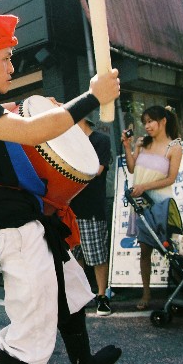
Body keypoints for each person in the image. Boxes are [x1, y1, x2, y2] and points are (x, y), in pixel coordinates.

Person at [0, 14, 122, 364]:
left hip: (29, 224)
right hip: (14, 231)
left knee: (69, 293)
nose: (11, 68)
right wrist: (92, 97)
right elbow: (32, 132)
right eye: (4, 59)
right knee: (30, 334)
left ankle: (83, 361)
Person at [122, 105, 182, 311]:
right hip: (141, 204)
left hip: (161, 204)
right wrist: (127, 146)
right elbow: (131, 168)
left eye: (150, 121)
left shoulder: (174, 147)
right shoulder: (142, 143)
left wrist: (144, 187)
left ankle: (178, 292)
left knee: (170, 250)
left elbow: (171, 178)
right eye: (145, 122)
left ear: (163, 121)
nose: (147, 126)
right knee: (145, 249)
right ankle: (146, 292)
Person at [70, 118, 112, 316]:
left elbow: (97, 171)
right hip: (69, 207)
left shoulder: (100, 140)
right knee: (75, 256)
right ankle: (83, 295)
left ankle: (102, 296)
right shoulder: (69, 142)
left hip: (91, 206)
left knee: (96, 255)